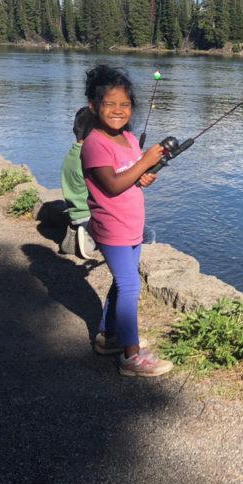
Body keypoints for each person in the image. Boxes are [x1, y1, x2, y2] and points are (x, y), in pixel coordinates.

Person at [81, 64, 172, 377]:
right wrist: (145, 162)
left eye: (125, 105)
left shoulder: (129, 139)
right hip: (112, 227)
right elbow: (113, 184)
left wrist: (144, 175)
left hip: (131, 224)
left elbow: (128, 176)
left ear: (132, 108)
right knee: (130, 286)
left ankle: (109, 338)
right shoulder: (95, 144)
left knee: (123, 284)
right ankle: (131, 357)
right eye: (109, 104)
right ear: (93, 106)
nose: (118, 110)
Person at [60, 107, 96, 259]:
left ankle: (78, 230)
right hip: (89, 215)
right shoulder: (89, 157)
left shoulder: (72, 154)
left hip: (74, 212)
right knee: (147, 233)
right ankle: (88, 234)